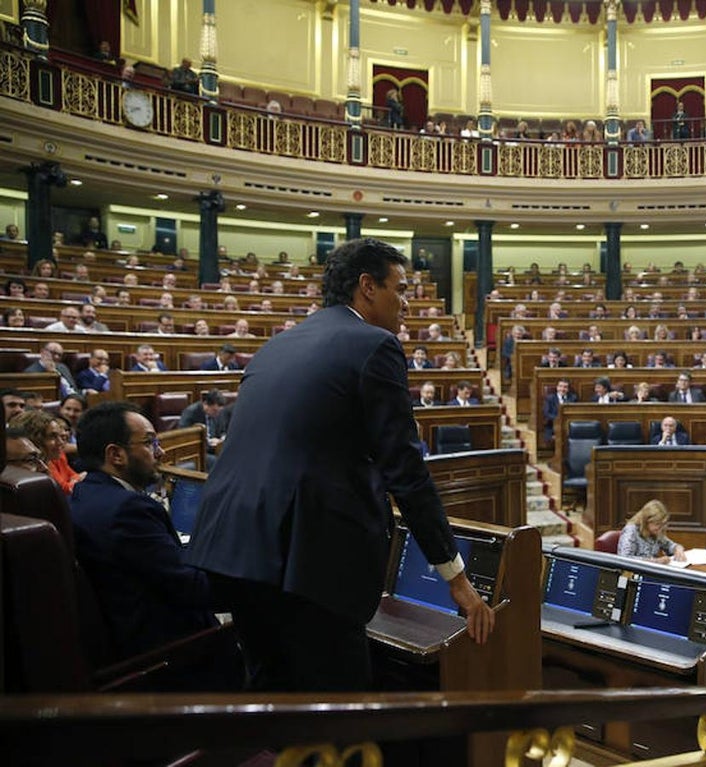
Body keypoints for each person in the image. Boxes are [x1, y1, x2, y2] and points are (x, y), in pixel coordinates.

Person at [185, 239, 494, 692]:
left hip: (237, 551)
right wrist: (456, 577)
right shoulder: (374, 345)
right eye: (400, 288)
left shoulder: (278, 344)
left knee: (273, 701)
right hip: (312, 562)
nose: (406, 302)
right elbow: (405, 471)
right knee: (339, 714)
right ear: (367, 287)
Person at [69, 402, 239, 687]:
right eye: (150, 442)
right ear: (116, 454)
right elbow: (194, 588)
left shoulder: (84, 493)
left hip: (132, 638)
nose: (160, 452)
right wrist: (258, 584)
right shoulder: (127, 509)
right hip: (172, 659)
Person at [10, 408, 85, 493]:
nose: (60, 442)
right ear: (34, 439)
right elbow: (64, 489)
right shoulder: (23, 469)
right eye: (52, 436)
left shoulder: (51, 458)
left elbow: (73, 477)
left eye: (60, 436)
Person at [617, 499, 685, 563]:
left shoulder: (656, 532)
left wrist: (678, 548)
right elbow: (625, 559)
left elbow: (669, 545)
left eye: (663, 524)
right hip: (633, 573)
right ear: (646, 521)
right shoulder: (631, 531)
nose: (660, 528)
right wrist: (655, 561)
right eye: (657, 524)